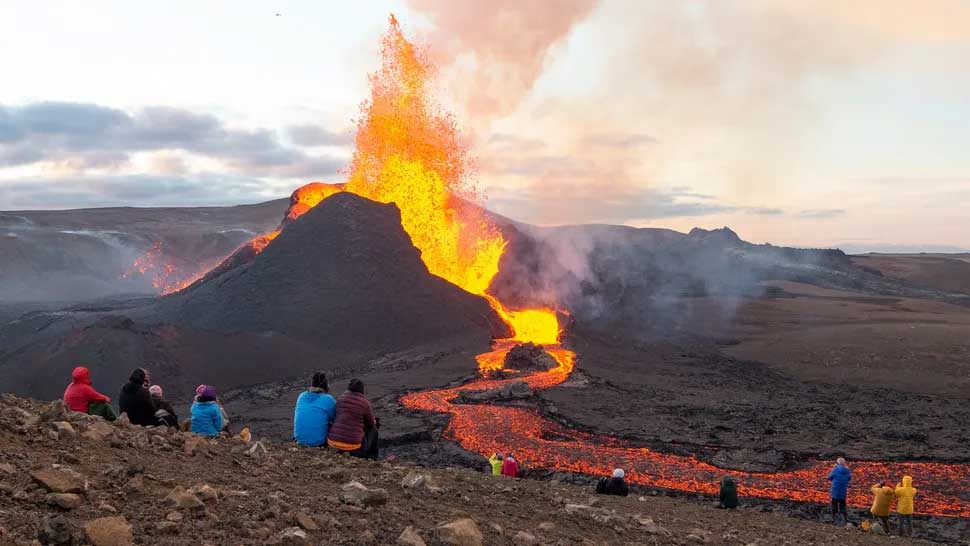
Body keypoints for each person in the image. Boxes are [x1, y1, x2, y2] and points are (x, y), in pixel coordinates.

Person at [327, 379, 378, 459]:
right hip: (353, 448)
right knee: (374, 428)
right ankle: (372, 458)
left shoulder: (340, 399)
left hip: (333, 444)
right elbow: (371, 423)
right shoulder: (364, 403)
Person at [293, 371, 336, 447]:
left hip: (299, 440)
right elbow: (335, 418)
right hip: (319, 443)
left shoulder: (301, 396)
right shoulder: (328, 399)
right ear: (325, 385)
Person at [827, 457, 852, 526]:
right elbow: (849, 478)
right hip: (843, 492)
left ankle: (834, 520)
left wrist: (834, 469)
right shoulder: (848, 470)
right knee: (842, 506)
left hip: (835, 491)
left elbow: (829, 477)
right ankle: (844, 520)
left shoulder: (835, 469)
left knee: (834, 506)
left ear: (837, 463)